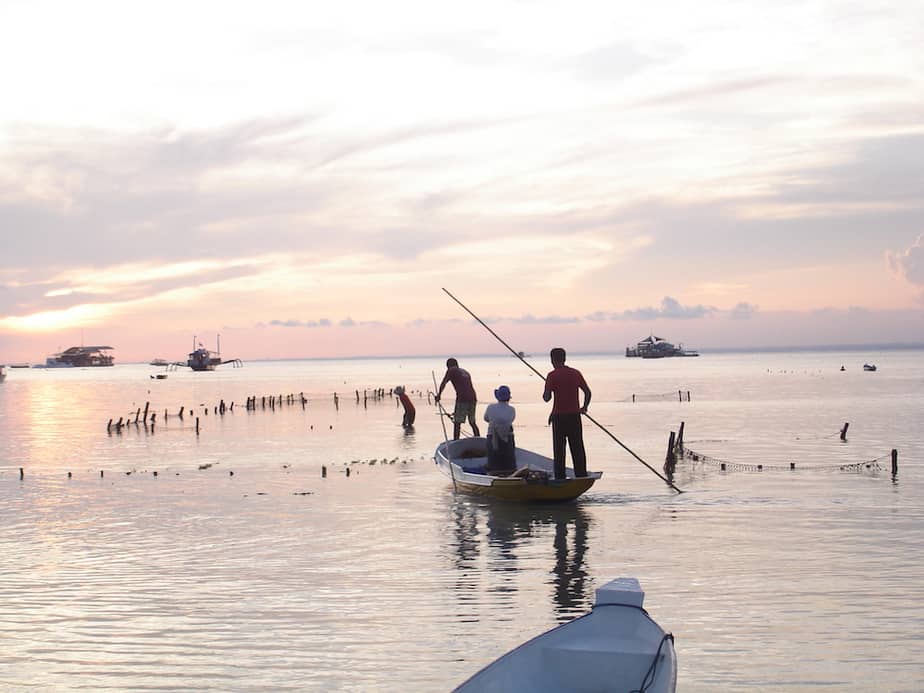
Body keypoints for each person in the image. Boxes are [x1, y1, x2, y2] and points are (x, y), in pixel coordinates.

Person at [542, 347, 591, 479]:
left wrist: (547, 389)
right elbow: (587, 392)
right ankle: (581, 475)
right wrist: (584, 407)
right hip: (574, 417)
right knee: (577, 448)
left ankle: (560, 477)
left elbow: (546, 398)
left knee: (559, 450)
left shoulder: (552, 375)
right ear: (564, 359)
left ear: (552, 360)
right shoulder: (576, 373)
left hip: (559, 418)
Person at [435, 358, 480, 439]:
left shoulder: (451, 370)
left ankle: (456, 440)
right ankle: (478, 439)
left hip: (462, 398)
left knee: (457, 422)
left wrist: (439, 395)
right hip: (473, 398)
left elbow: (444, 382)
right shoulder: (465, 372)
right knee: (472, 422)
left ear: (448, 366)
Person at [483, 385, 516, 474]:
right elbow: (511, 420)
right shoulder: (512, 409)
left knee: (493, 461)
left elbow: (486, 418)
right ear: (508, 398)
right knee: (509, 461)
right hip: (508, 437)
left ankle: (493, 469)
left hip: (492, 436)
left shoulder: (490, 407)